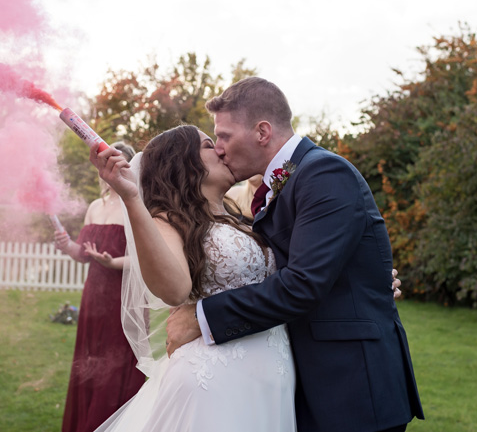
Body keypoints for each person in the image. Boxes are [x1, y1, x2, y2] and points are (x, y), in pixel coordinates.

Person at [165, 76, 423, 432]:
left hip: (351, 387)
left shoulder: (324, 173)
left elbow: (303, 283)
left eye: (224, 136)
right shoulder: (289, 179)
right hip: (307, 381)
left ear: (262, 132)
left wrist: (202, 317)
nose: (220, 149)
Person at [90, 125, 298, 432]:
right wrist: (132, 198)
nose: (222, 150)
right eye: (209, 145)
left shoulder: (243, 221)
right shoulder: (168, 221)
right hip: (214, 382)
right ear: (183, 162)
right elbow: (175, 291)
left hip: (272, 375)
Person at [53, 142, 145, 432]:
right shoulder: (95, 206)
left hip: (122, 298)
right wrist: (67, 245)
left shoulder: (136, 205)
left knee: (115, 364)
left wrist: (113, 263)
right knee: (90, 362)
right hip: (93, 296)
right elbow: (83, 254)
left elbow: (147, 258)